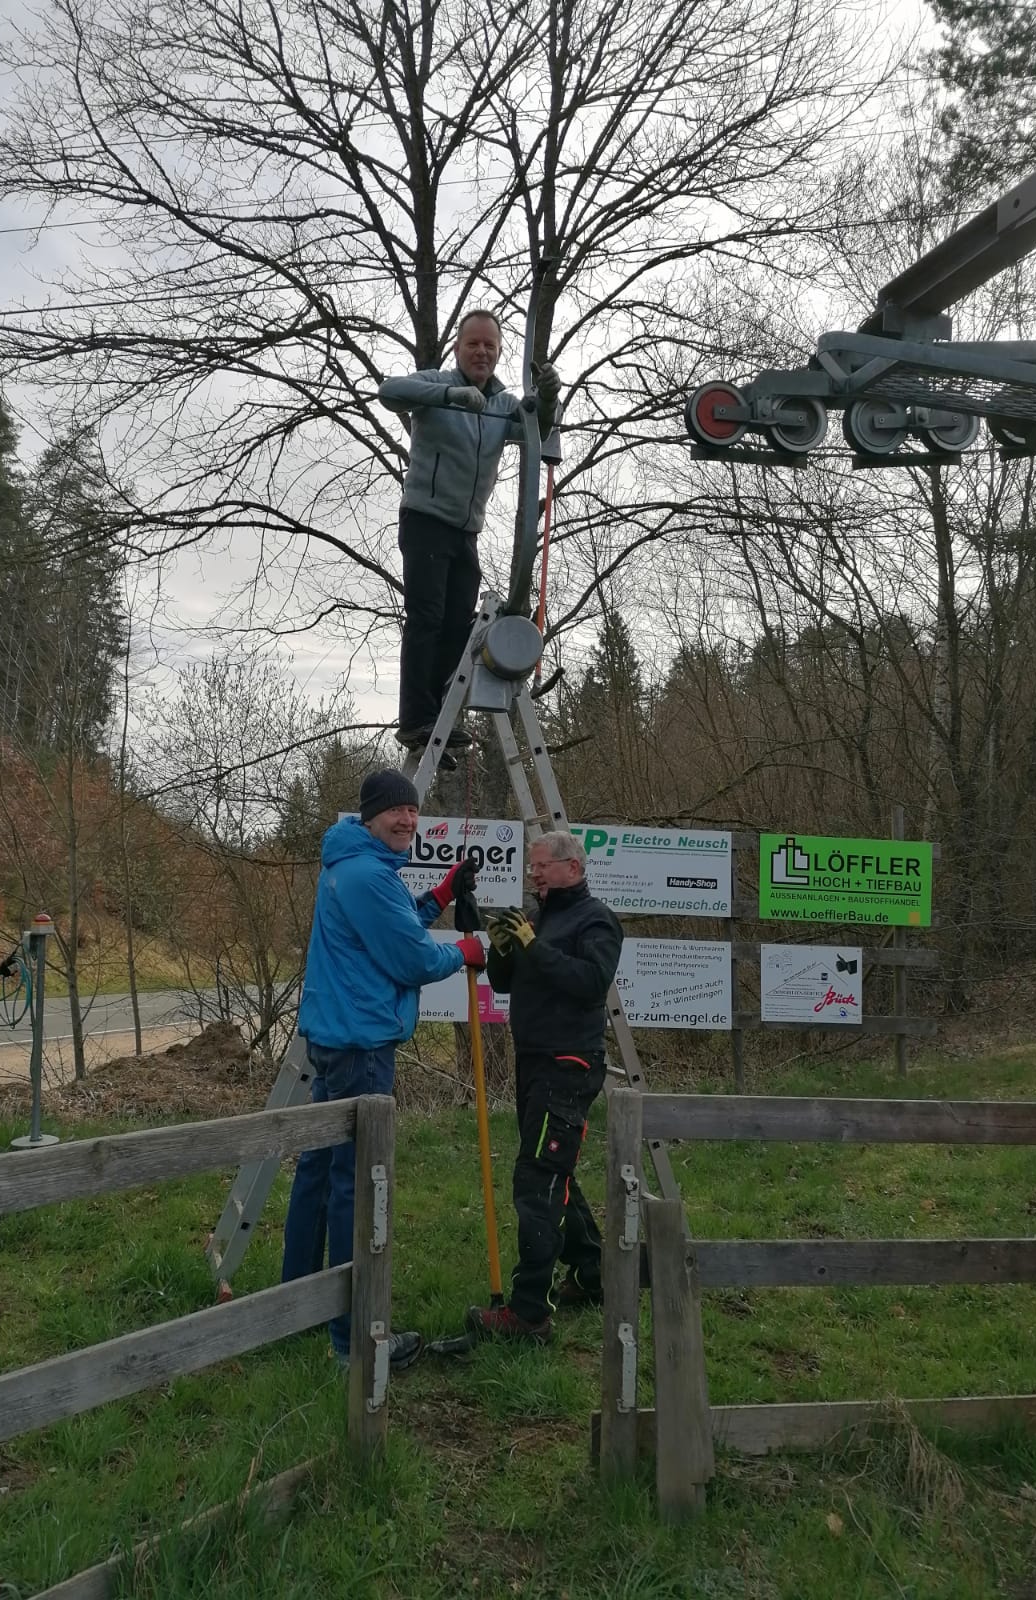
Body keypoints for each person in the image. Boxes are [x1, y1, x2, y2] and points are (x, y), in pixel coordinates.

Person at [281, 767, 486, 1370]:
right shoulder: (370, 875)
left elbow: (393, 931)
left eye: (414, 812)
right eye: (397, 812)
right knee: (357, 1185)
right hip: (363, 1045)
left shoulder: (354, 867)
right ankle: (353, 1340)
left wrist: (442, 895)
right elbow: (411, 959)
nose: (407, 820)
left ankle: (297, 1307)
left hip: (338, 1037)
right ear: (370, 817)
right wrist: (467, 951)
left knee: (319, 1170)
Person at [378, 310, 561, 749]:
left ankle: (438, 716)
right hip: (425, 519)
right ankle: (415, 719)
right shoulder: (435, 382)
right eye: (473, 344)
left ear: (498, 354)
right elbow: (389, 392)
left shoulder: (501, 404)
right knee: (427, 617)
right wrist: (451, 396)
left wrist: (550, 399)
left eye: (490, 346)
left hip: (466, 531)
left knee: (459, 623)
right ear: (458, 348)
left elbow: (537, 430)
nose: (481, 352)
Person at [469, 830, 622, 1343]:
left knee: (537, 1179)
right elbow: (508, 983)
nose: (532, 874)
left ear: (571, 869)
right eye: (530, 867)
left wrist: (536, 948)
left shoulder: (596, 919)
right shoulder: (539, 917)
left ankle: (530, 1312)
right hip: (533, 1062)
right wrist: (504, 950)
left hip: (569, 1063)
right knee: (554, 1171)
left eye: (540, 866)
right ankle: (596, 1275)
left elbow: (590, 983)